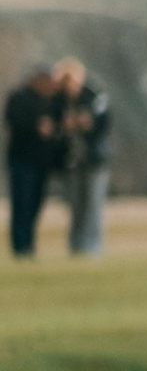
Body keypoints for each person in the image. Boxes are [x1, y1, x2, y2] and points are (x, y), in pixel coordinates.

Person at [53, 60, 110, 256]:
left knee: (93, 204)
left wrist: (88, 124)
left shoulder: (94, 96)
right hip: (71, 161)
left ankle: (92, 247)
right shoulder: (59, 101)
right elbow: (53, 125)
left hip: (94, 160)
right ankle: (76, 246)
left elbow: (104, 123)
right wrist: (64, 126)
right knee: (75, 204)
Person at [5, 61, 60, 259]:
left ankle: (29, 244)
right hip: (21, 160)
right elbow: (12, 120)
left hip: (42, 162)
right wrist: (36, 127)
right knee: (22, 203)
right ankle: (20, 247)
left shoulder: (52, 101)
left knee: (36, 203)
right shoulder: (19, 97)